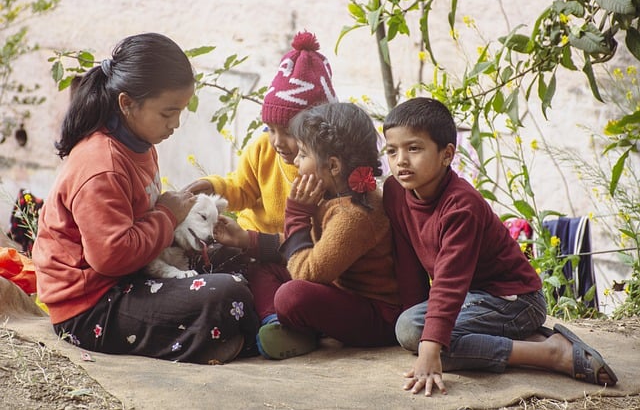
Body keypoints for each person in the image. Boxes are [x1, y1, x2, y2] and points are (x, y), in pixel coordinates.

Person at [31, 33, 259, 365]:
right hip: (91, 307)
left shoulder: (140, 144)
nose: (175, 124)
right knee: (227, 293)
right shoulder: (101, 167)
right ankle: (238, 335)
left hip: (133, 274)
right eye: (168, 113)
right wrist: (167, 215)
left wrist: (179, 220)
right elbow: (111, 257)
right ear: (127, 103)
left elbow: (142, 222)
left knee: (234, 255)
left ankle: (232, 335)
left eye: (179, 112)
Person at [382, 97, 618, 396]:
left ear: (446, 155)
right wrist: (414, 314)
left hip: (514, 300)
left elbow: (450, 281)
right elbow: (408, 262)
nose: (400, 159)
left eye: (413, 148)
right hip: (475, 300)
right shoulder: (394, 191)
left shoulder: (460, 205)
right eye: (392, 150)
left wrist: (428, 347)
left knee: (415, 332)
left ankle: (552, 354)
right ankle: (532, 340)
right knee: (412, 327)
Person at [214, 102, 402, 359]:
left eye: (303, 155)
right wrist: (247, 239)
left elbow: (306, 272)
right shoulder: (334, 195)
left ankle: (300, 328)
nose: (297, 164)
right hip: (336, 288)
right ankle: (275, 323)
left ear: (333, 166)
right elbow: (307, 250)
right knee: (260, 266)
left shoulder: (355, 215)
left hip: (375, 317)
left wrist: (296, 214)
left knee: (292, 295)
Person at [183, 30, 337, 240]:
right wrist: (214, 187)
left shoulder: (328, 170)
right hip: (245, 239)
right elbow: (241, 188)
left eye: (289, 132)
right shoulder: (262, 148)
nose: (277, 141)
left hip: (293, 250)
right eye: (271, 129)